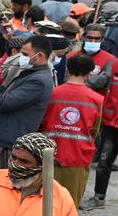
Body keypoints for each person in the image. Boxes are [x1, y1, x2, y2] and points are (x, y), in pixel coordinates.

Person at [0, 34, 55, 173]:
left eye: (25, 54)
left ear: (39, 56)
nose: (21, 57)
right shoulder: (31, 73)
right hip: (1, 139)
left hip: (5, 144)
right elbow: (5, 95)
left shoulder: (38, 81)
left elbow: (3, 103)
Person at [40, 53, 104, 207]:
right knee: (69, 205)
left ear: (67, 69)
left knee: (44, 203)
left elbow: (41, 123)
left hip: (49, 155)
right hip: (78, 158)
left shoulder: (52, 93)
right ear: (89, 74)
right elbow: (95, 131)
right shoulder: (97, 99)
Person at [81, 34, 118, 210]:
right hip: (111, 123)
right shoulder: (116, 64)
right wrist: (80, 75)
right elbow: (101, 81)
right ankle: (99, 197)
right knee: (104, 163)